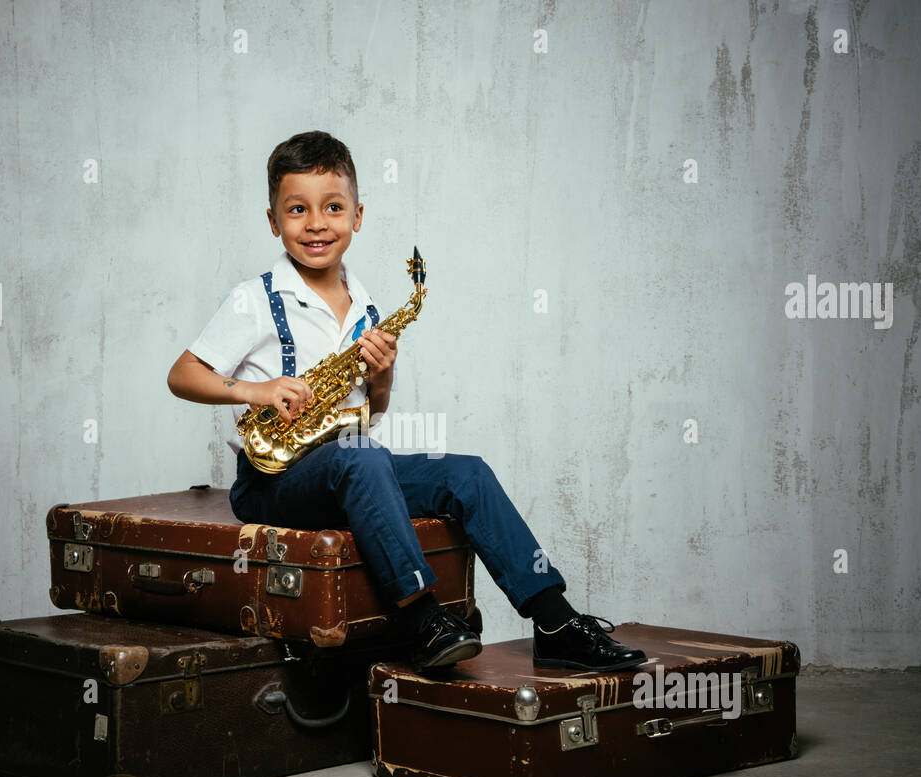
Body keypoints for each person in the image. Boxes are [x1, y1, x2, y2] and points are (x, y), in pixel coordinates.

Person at [167, 130, 645, 675]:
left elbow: (375, 411)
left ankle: (555, 621)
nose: (317, 223)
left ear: (358, 215)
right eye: (297, 210)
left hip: (347, 465)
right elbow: (182, 375)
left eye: (333, 208)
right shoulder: (254, 299)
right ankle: (422, 620)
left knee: (466, 474)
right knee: (363, 457)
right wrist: (257, 389)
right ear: (274, 222)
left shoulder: (365, 301)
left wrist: (384, 376)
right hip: (272, 483)